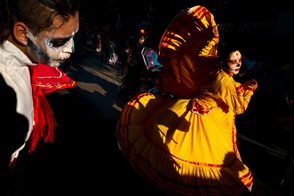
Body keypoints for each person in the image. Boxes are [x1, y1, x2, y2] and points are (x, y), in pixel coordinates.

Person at [116, 5, 258, 195]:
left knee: (174, 145)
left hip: (193, 108)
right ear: (224, 62)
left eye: (240, 60)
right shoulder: (223, 81)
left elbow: (200, 56)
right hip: (208, 121)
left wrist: (211, 40)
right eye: (234, 60)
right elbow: (239, 107)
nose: (238, 64)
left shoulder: (212, 68)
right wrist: (249, 90)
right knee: (201, 158)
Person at [0, 0, 79, 195]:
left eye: (73, 37)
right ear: (22, 34)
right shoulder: (7, 87)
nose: (71, 49)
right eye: (59, 42)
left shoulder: (21, 59)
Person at [117, 29, 147, 102]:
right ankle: (126, 98)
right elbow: (126, 54)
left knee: (135, 84)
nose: (142, 40)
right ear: (138, 38)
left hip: (138, 68)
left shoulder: (144, 48)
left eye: (143, 39)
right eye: (141, 39)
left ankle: (131, 98)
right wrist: (126, 65)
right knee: (129, 83)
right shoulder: (133, 46)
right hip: (132, 68)